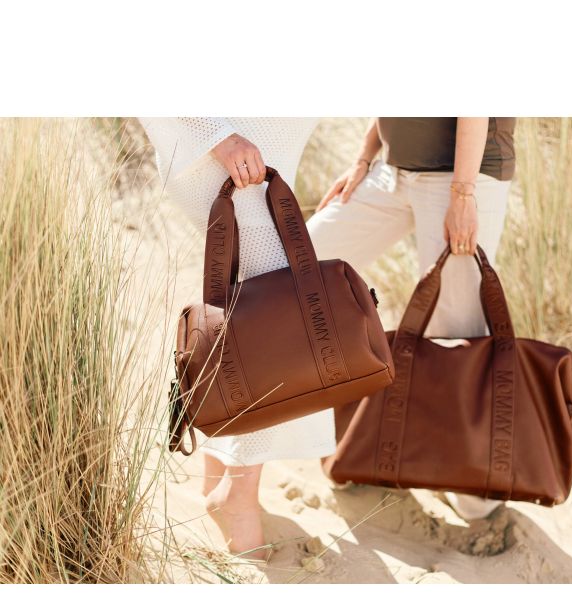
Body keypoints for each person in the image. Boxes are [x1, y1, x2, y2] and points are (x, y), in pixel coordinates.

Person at [139, 118, 335, 559]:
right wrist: (219, 137)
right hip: (229, 147)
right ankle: (238, 496)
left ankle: (219, 474)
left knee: (244, 311)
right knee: (275, 331)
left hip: (254, 150)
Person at [307, 117, 516, 521]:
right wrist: (364, 156)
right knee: (306, 267)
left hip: (460, 176)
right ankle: (365, 443)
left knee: (455, 337)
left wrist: (463, 193)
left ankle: (476, 499)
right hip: (393, 171)